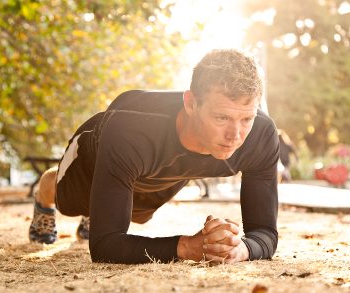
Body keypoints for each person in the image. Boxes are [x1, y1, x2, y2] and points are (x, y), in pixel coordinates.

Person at [28, 49, 279, 264]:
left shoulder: (261, 136)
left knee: (138, 215)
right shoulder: (130, 129)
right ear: (191, 104)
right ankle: (48, 190)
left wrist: (241, 249)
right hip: (98, 152)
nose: (235, 135)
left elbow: (265, 233)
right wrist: (188, 247)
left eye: (246, 118)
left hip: (158, 172)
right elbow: (104, 246)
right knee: (70, 203)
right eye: (221, 118)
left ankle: (101, 208)